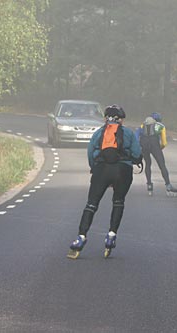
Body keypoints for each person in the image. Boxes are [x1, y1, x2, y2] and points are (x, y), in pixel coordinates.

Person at [67, 105, 142, 259]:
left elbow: (90, 153)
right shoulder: (128, 132)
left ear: (105, 118)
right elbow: (137, 153)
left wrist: (95, 168)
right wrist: (132, 160)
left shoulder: (100, 132)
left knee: (91, 204)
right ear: (121, 119)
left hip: (102, 169)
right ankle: (111, 235)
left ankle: (80, 237)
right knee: (118, 202)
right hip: (123, 170)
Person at [136, 112, 177, 197]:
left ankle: (149, 185)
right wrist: (160, 149)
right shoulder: (161, 126)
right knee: (162, 165)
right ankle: (168, 185)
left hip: (144, 145)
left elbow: (138, 135)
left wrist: (140, 147)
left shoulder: (143, 125)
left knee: (148, 164)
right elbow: (164, 142)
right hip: (155, 145)